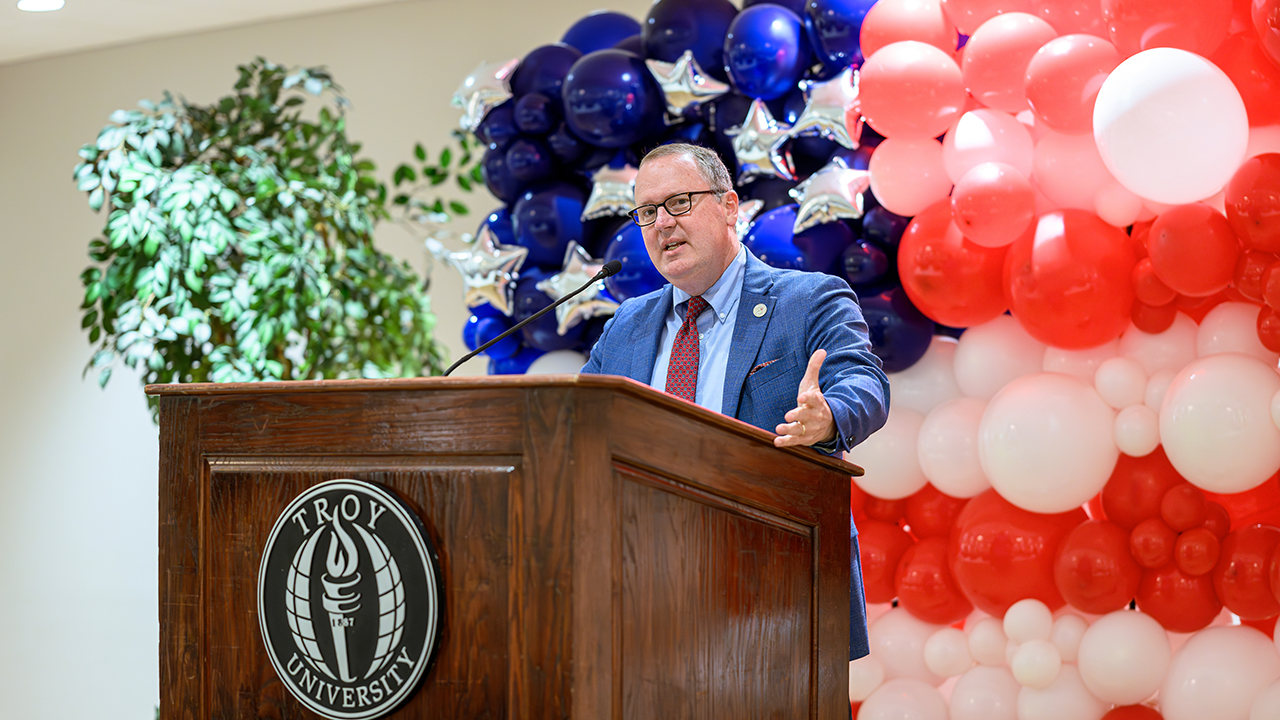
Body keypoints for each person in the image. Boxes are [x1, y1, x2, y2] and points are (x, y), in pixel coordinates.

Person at [580, 142, 890, 660]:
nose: (662, 223)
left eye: (679, 202)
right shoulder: (626, 325)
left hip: (778, 600)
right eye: (647, 212)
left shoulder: (808, 300)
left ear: (729, 207)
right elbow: (577, 424)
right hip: (642, 600)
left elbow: (864, 381)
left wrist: (829, 416)